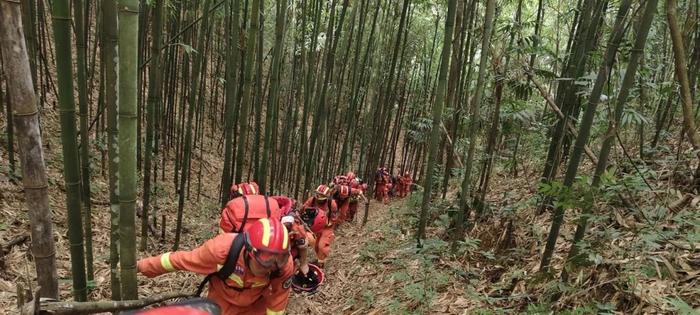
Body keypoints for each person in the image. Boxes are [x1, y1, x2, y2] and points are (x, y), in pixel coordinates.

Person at [137, 218, 294, 315]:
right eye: (266, 259)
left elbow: (278, 300)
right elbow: (180, 260)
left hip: (256, 305)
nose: (271, 267)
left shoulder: (283, 267)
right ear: (249, 251)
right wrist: (142, 266)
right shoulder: (221, 251)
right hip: (223, 302)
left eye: (279, 259)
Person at [301, 185, 338, 268]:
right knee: (316, 245)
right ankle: (318, 258)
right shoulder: (312, 200)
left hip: (326, 228)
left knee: (322, 245)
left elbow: (334, 218)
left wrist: (327, 222)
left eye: (322, 196)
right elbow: (304, 209)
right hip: (313, 227)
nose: (319, 198)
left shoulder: (332, 204)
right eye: (318, 195)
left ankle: (321, 264)